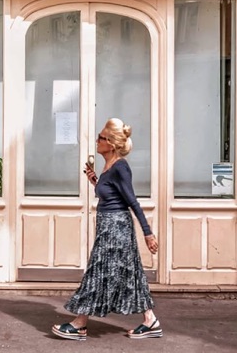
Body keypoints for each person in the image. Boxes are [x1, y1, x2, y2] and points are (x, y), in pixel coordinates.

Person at [52, 118, 162, 341]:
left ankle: (80, 324)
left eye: (100, 137)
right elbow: (112, 194)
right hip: (110, 227)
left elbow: (132, 202)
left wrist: (148, 233)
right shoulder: (109, 167)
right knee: (130, 273)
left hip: (116, 230)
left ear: (111, 143)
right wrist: (95, 181)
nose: (96, 140)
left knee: (98, 271)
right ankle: (150, 320)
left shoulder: (121, 167)